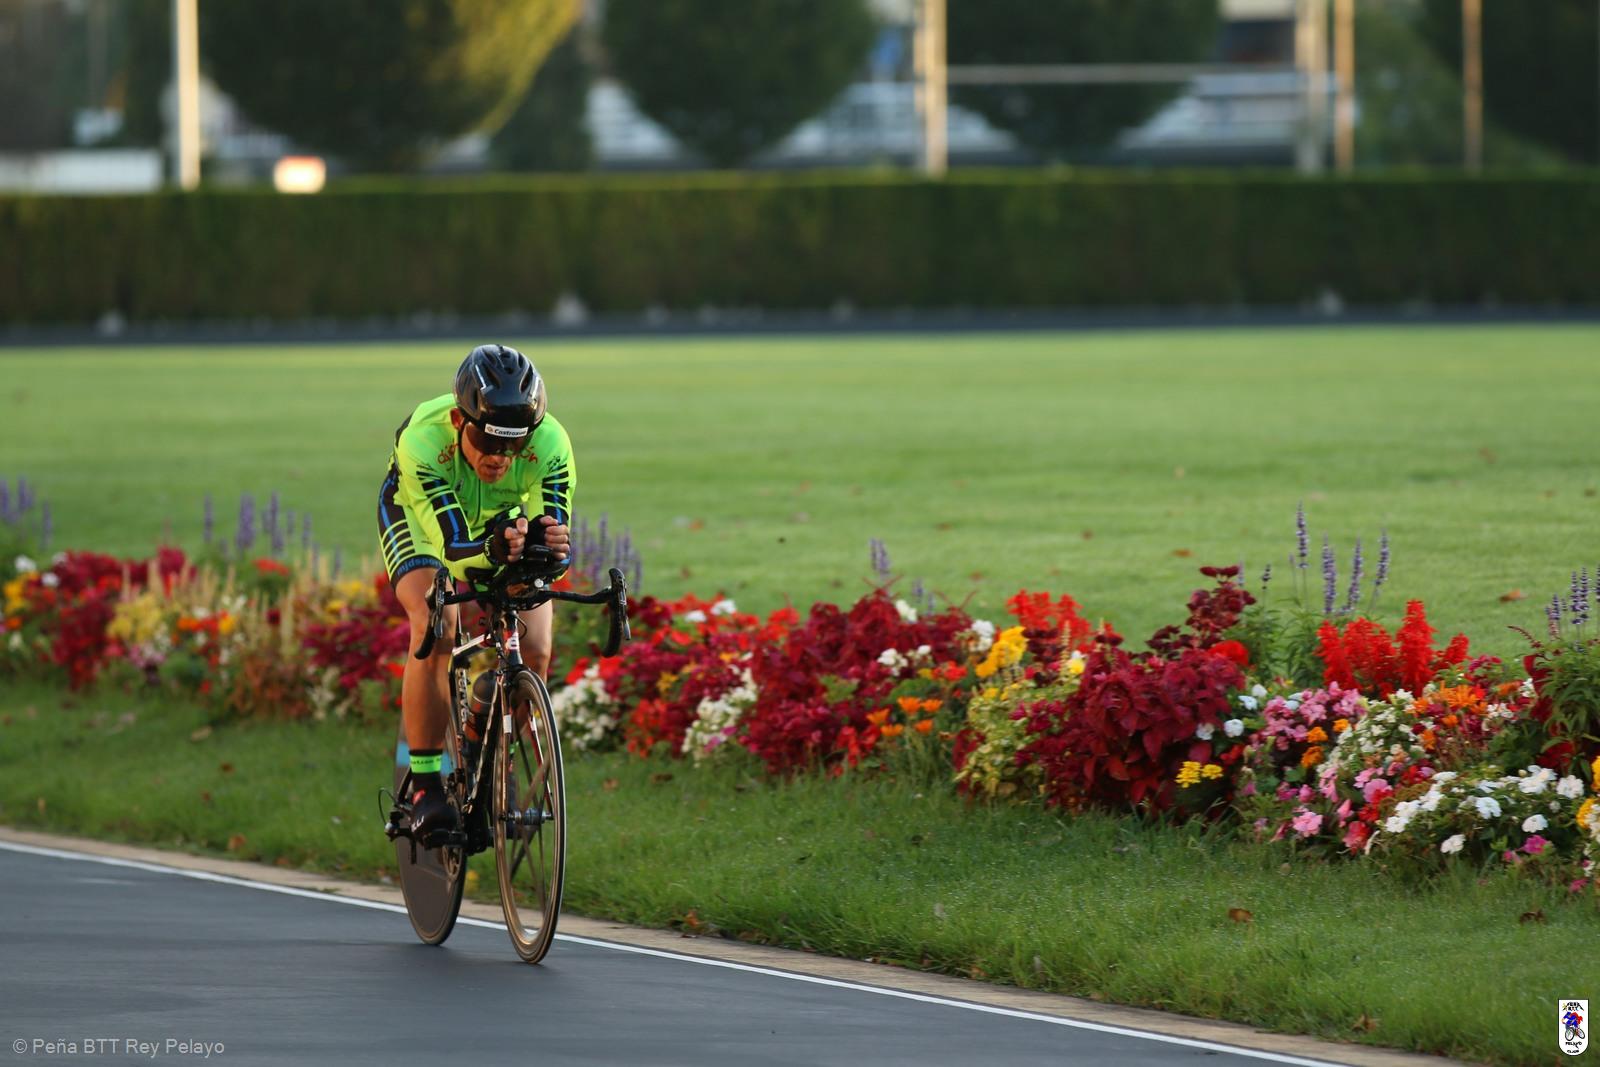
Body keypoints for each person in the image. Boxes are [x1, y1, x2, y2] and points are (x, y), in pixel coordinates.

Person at [377, 343, 574, 842]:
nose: (498, 457)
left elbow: (556, 541)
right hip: (421, 520)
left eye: (514, 445)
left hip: (498, 520)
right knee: (436, 624)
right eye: (487, 440)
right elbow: (454, 550)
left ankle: (491, 756)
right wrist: (495, 549)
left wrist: (548, 548)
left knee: (536, 646)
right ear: (458, 420)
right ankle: (425, 785)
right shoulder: (424, 441)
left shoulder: (551, 442)